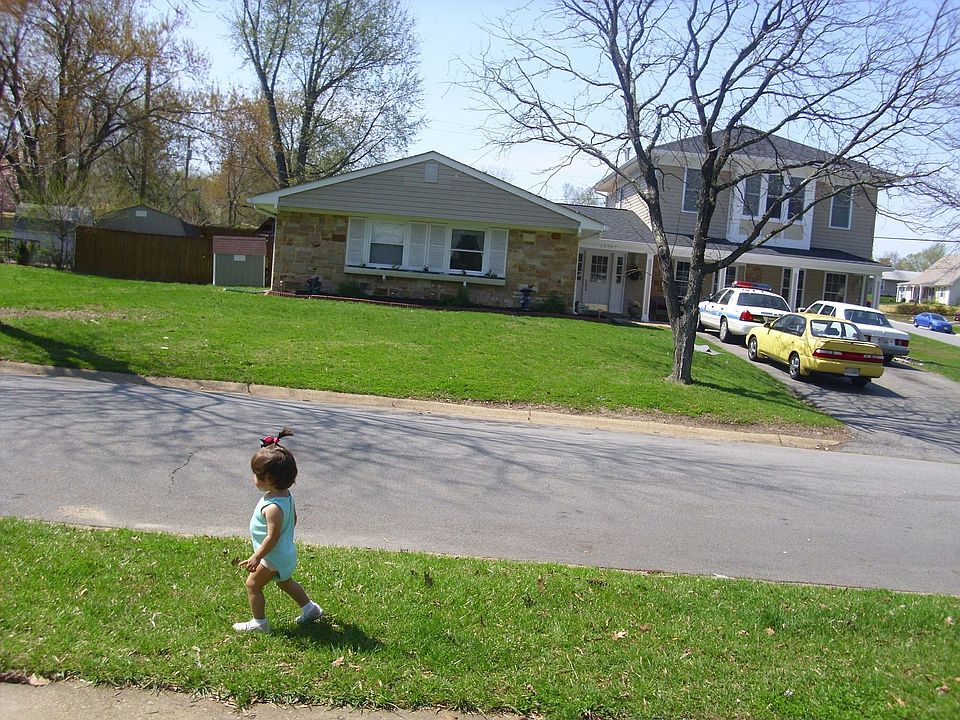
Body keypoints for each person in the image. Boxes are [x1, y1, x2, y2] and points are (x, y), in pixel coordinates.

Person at [233, 426, 324, 633]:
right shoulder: (285, 496)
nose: (254, 478)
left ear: (270, 480)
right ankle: (310, 609)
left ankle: (259, 623)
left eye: (257, 475)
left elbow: (272, 537)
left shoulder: (273, 507)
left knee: (253, 585)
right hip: (285, 553)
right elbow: (293, 520)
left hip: (272, 556)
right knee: (285, 582)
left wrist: (257, 556)